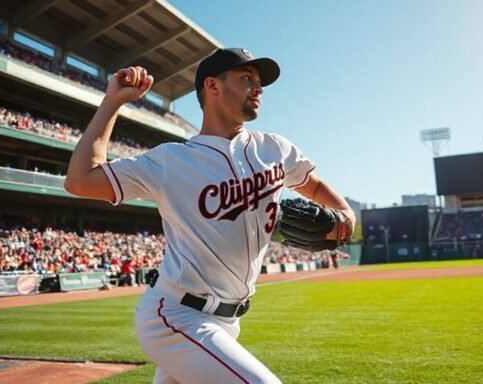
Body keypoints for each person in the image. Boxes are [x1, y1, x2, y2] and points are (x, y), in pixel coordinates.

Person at [64, 48, 355, 384]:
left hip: (226, 322)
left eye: (260, 82)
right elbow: (81, 180)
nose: (258, 88)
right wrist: (113, 102)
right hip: (175, 316)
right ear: (212, 86)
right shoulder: (170, 162)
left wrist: (347, 216)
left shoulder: (275, 149)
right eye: (247, 78)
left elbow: (314, 186)